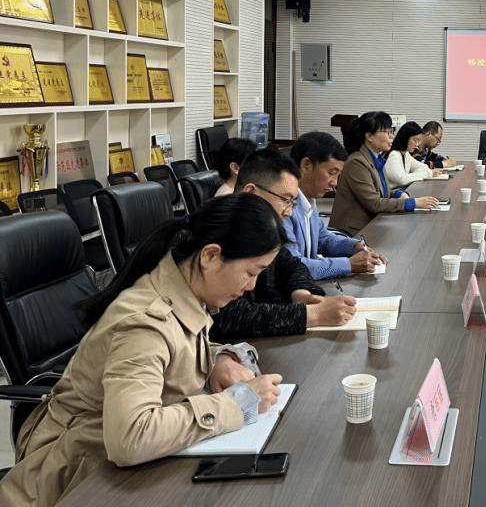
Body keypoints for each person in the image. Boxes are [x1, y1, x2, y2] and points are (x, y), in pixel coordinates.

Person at [0, 194, 286, 507]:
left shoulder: (183, 290)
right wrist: (236, 403)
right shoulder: (144, 322)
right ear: (211, 256)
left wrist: (217, 358)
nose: (252, 285)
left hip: (117, 469)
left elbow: (170, 349)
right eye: (251, 272)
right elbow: (132, 438)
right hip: (77, 481)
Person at [210, 148, 356, 340]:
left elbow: (292, 265)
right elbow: (229, 318)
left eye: (292, 202)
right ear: (251, 193)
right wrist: (312, 315)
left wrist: (301, 292)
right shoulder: (218, 233)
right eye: (286, 200)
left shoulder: (263, 232)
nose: (288, 212)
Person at [285, 131, 386, 279]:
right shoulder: (284, 207)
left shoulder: (308, 199)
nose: (334, 183)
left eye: (338, 175)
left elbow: (323, 239)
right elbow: (294, 267)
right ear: (306, 165)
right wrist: (349, 264)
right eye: (332, 173)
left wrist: (355, 246)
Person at [329, 111, 439, 233]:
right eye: (387, 132)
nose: (391, 137)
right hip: (353, 232)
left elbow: (382, 192)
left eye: (391, 131)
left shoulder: (376, 158)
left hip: (373, 223)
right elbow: (374, 203)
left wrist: (399, 194)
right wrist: (412, 203)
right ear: (369, 136)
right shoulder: (357, 163)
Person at [384, 121, 444, 188]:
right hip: (392, 193)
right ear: (406, 138)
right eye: (415, 140)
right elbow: (403, 179)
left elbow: (422, 166)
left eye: (418, 141)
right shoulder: (394, 155)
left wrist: (429, 172)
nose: (417, 144)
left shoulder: (406, 154)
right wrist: (427, 173)